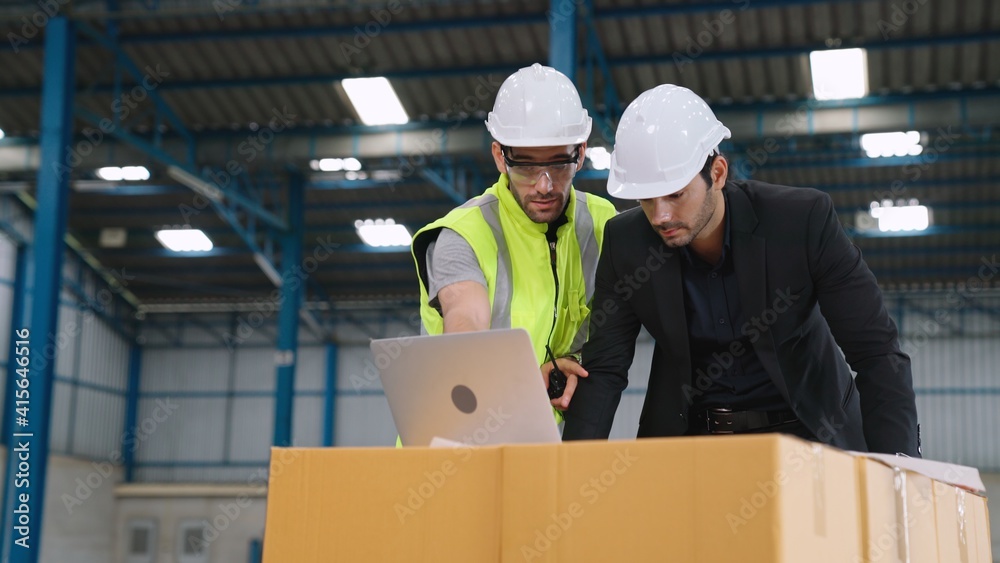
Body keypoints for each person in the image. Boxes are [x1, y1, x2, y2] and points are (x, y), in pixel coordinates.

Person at [562, 84, 920, 456]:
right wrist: (568, 473)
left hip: (811, 436)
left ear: (716, 173)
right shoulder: (627, 243)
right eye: (646, 199)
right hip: (694, 443)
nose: (660, 216)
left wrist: (902, 468)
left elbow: (877, 353)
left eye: (675, 194)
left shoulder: (801, 223)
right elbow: (604, 370)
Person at [411, 63, 618, 414]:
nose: (544, 185)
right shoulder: (464, 233)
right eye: (525, 166)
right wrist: (524, 380)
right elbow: (466, 327)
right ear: (499, 157)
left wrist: (573, 361)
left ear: (580, 153)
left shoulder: (603, 226)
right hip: (451, 441)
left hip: (542, 446)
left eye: (558, 163)